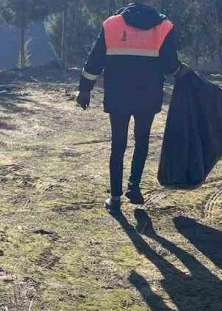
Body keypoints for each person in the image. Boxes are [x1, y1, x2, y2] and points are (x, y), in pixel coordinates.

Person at [76, 1, 188, 212]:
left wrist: (84, 89)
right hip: (148, 95)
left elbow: (95, 60)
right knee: (142, 140)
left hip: (118, 95)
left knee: (118, 144)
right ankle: (134, 186)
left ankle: (115, 198)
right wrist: (185, 73)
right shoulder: (163, 27)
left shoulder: (112, 24)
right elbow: (169, 66)